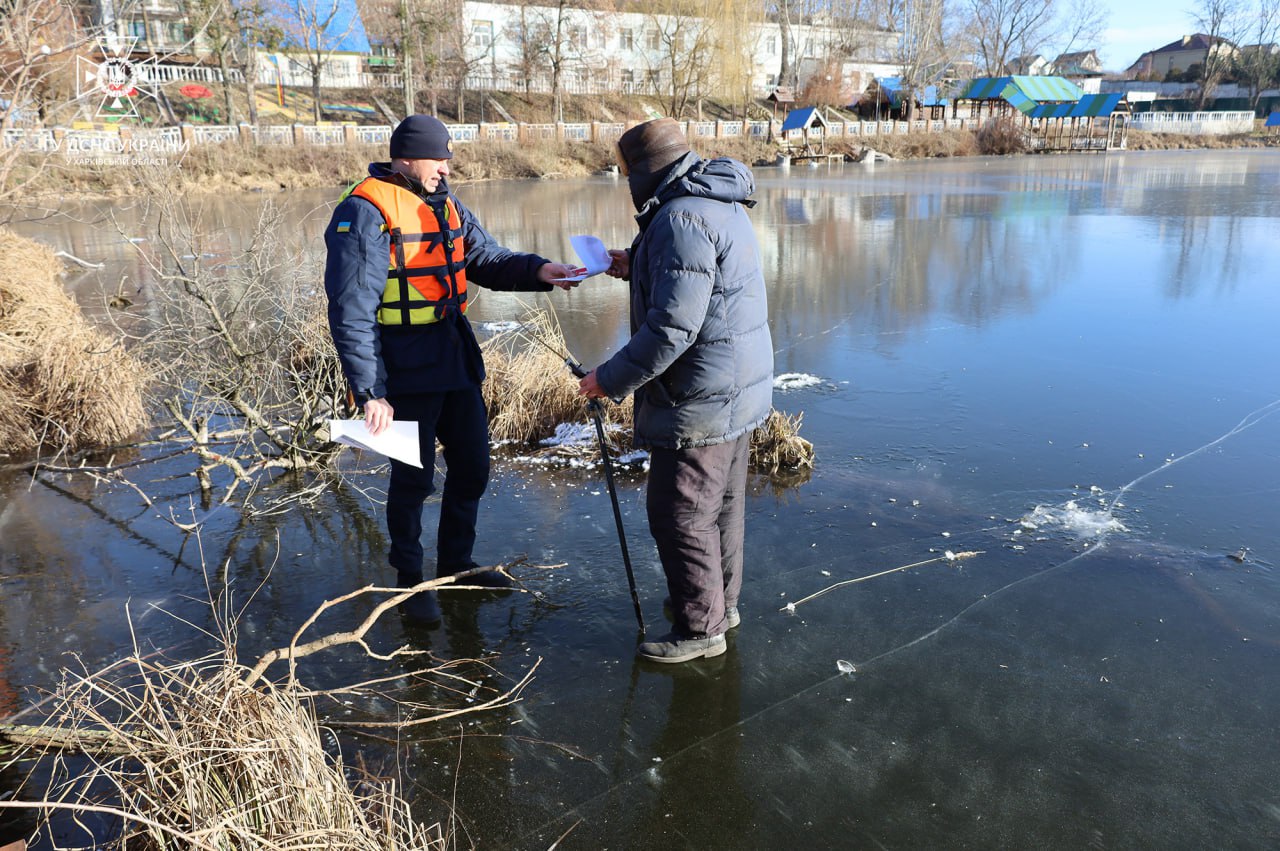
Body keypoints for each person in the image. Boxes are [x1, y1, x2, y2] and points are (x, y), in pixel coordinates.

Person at [325, 114, 582, 624]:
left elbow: (482, 257)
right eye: (438, 158)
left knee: (472, 468)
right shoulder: (364, 211)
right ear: (407, 157)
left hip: (453, 356)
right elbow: (351, 307)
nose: (446, 167)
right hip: (400, 367)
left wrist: (538, 270)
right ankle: (409, 583)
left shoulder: (447, 202)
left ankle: (458, 566)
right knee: (413, 481)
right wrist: (369, 390)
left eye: (448, 158)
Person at [579, 118, 773, 663]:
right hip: (735, 388)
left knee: (680, 514)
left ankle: (700, 629)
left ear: (644, 171)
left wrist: (607, 379)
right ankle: (720, 605)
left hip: (699, 398)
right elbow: (695, 286)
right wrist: (634, 262)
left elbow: (672, 329)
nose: (624, 183)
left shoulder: (679, 217)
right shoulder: (711, 199)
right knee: (723, 506)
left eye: (625, 172)